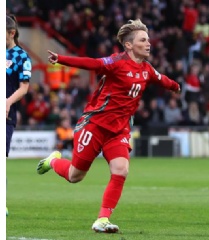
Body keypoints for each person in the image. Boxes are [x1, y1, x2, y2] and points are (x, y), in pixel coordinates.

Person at [37, 19, 180, 233]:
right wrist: (61, 59)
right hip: (95, 125)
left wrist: (175, 86)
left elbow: (161, 79)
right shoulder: (116, 62)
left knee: (121, 170)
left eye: (148, 39)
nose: (149, 43)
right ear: (129, 45)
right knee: (75, 176)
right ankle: (54, 161)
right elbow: (92, 63)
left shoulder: (146, 69)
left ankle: (102, 220)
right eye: (143, 40)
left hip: (119, 130)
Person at [6, 14, 32, 215]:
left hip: (5, 115)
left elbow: (24, 88)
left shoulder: (21, 57)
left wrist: (7, 102)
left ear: (11, 33)